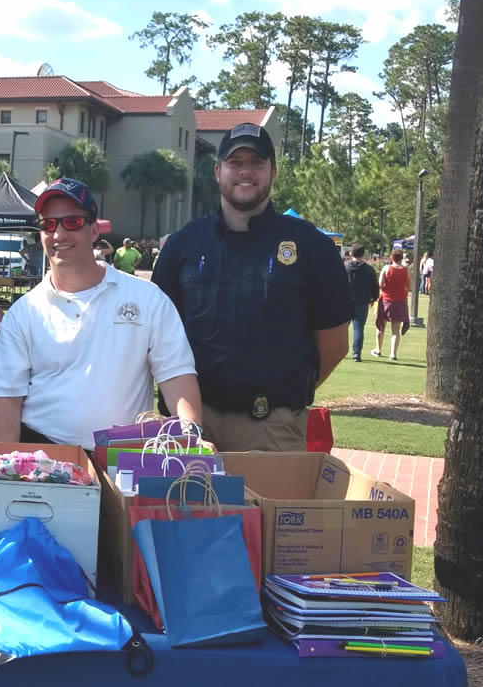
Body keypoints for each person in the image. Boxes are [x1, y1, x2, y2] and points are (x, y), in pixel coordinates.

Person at [152, 122, 351, 452]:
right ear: (218, 171)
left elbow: (334, 345)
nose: (245, 172)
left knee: (273, 507)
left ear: (273, 171)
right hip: (189, 426)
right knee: (178, 506)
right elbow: (157, 339)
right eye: (235, 162)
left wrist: (286, 393)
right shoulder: (182, 246)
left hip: (271, 427)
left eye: (256, 162)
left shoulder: (311, 247)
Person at [0, 178, 202, 449]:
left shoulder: (148, 299)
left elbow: (177, 377)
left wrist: (193, 440)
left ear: (94, 230)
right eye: (48, 224)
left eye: (73, 222)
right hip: (43, 461)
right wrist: (3, 472)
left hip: (124, 460)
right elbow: (6, 401)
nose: (59, 234)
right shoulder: (22, 314)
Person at [372, 249, 410, 360]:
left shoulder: (386, 268)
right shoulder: (406, 270)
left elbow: (380, 285)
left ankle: (378, 349)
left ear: (392, 257)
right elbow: (410, 287)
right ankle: (393, 353)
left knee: (380, 327)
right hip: (400, 302)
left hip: (386, 300)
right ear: (401, 258)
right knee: (395, 330)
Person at [345, 245, 379, 362]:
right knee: (359, 328)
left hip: (346, 301)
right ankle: (356, 354)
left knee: (343, 328)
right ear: (363, 254)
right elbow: (374, 285)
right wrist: (374, 298)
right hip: (362, 301)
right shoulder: (369, 269)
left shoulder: (345, 267)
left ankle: (341, 350)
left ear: (351, 253)